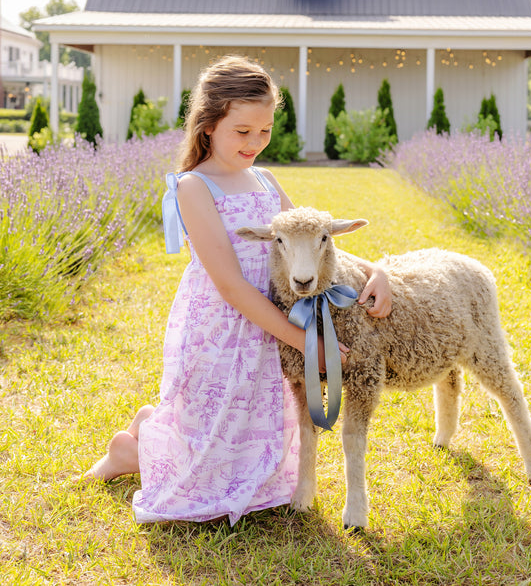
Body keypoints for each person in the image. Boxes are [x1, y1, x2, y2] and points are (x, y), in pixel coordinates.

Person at [84, 56, 391, 525]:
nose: (255, 143)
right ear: (209, 126)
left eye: (264, 131)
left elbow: (315, 240)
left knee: (258, 464)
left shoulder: (266, 180)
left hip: (269, 329)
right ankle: (135, 448)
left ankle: (152, 428)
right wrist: (310, 343)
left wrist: (377, 271)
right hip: (223, 332)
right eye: (242, 131)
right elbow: (230, 286)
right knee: (204, 476)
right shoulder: (195, 186)